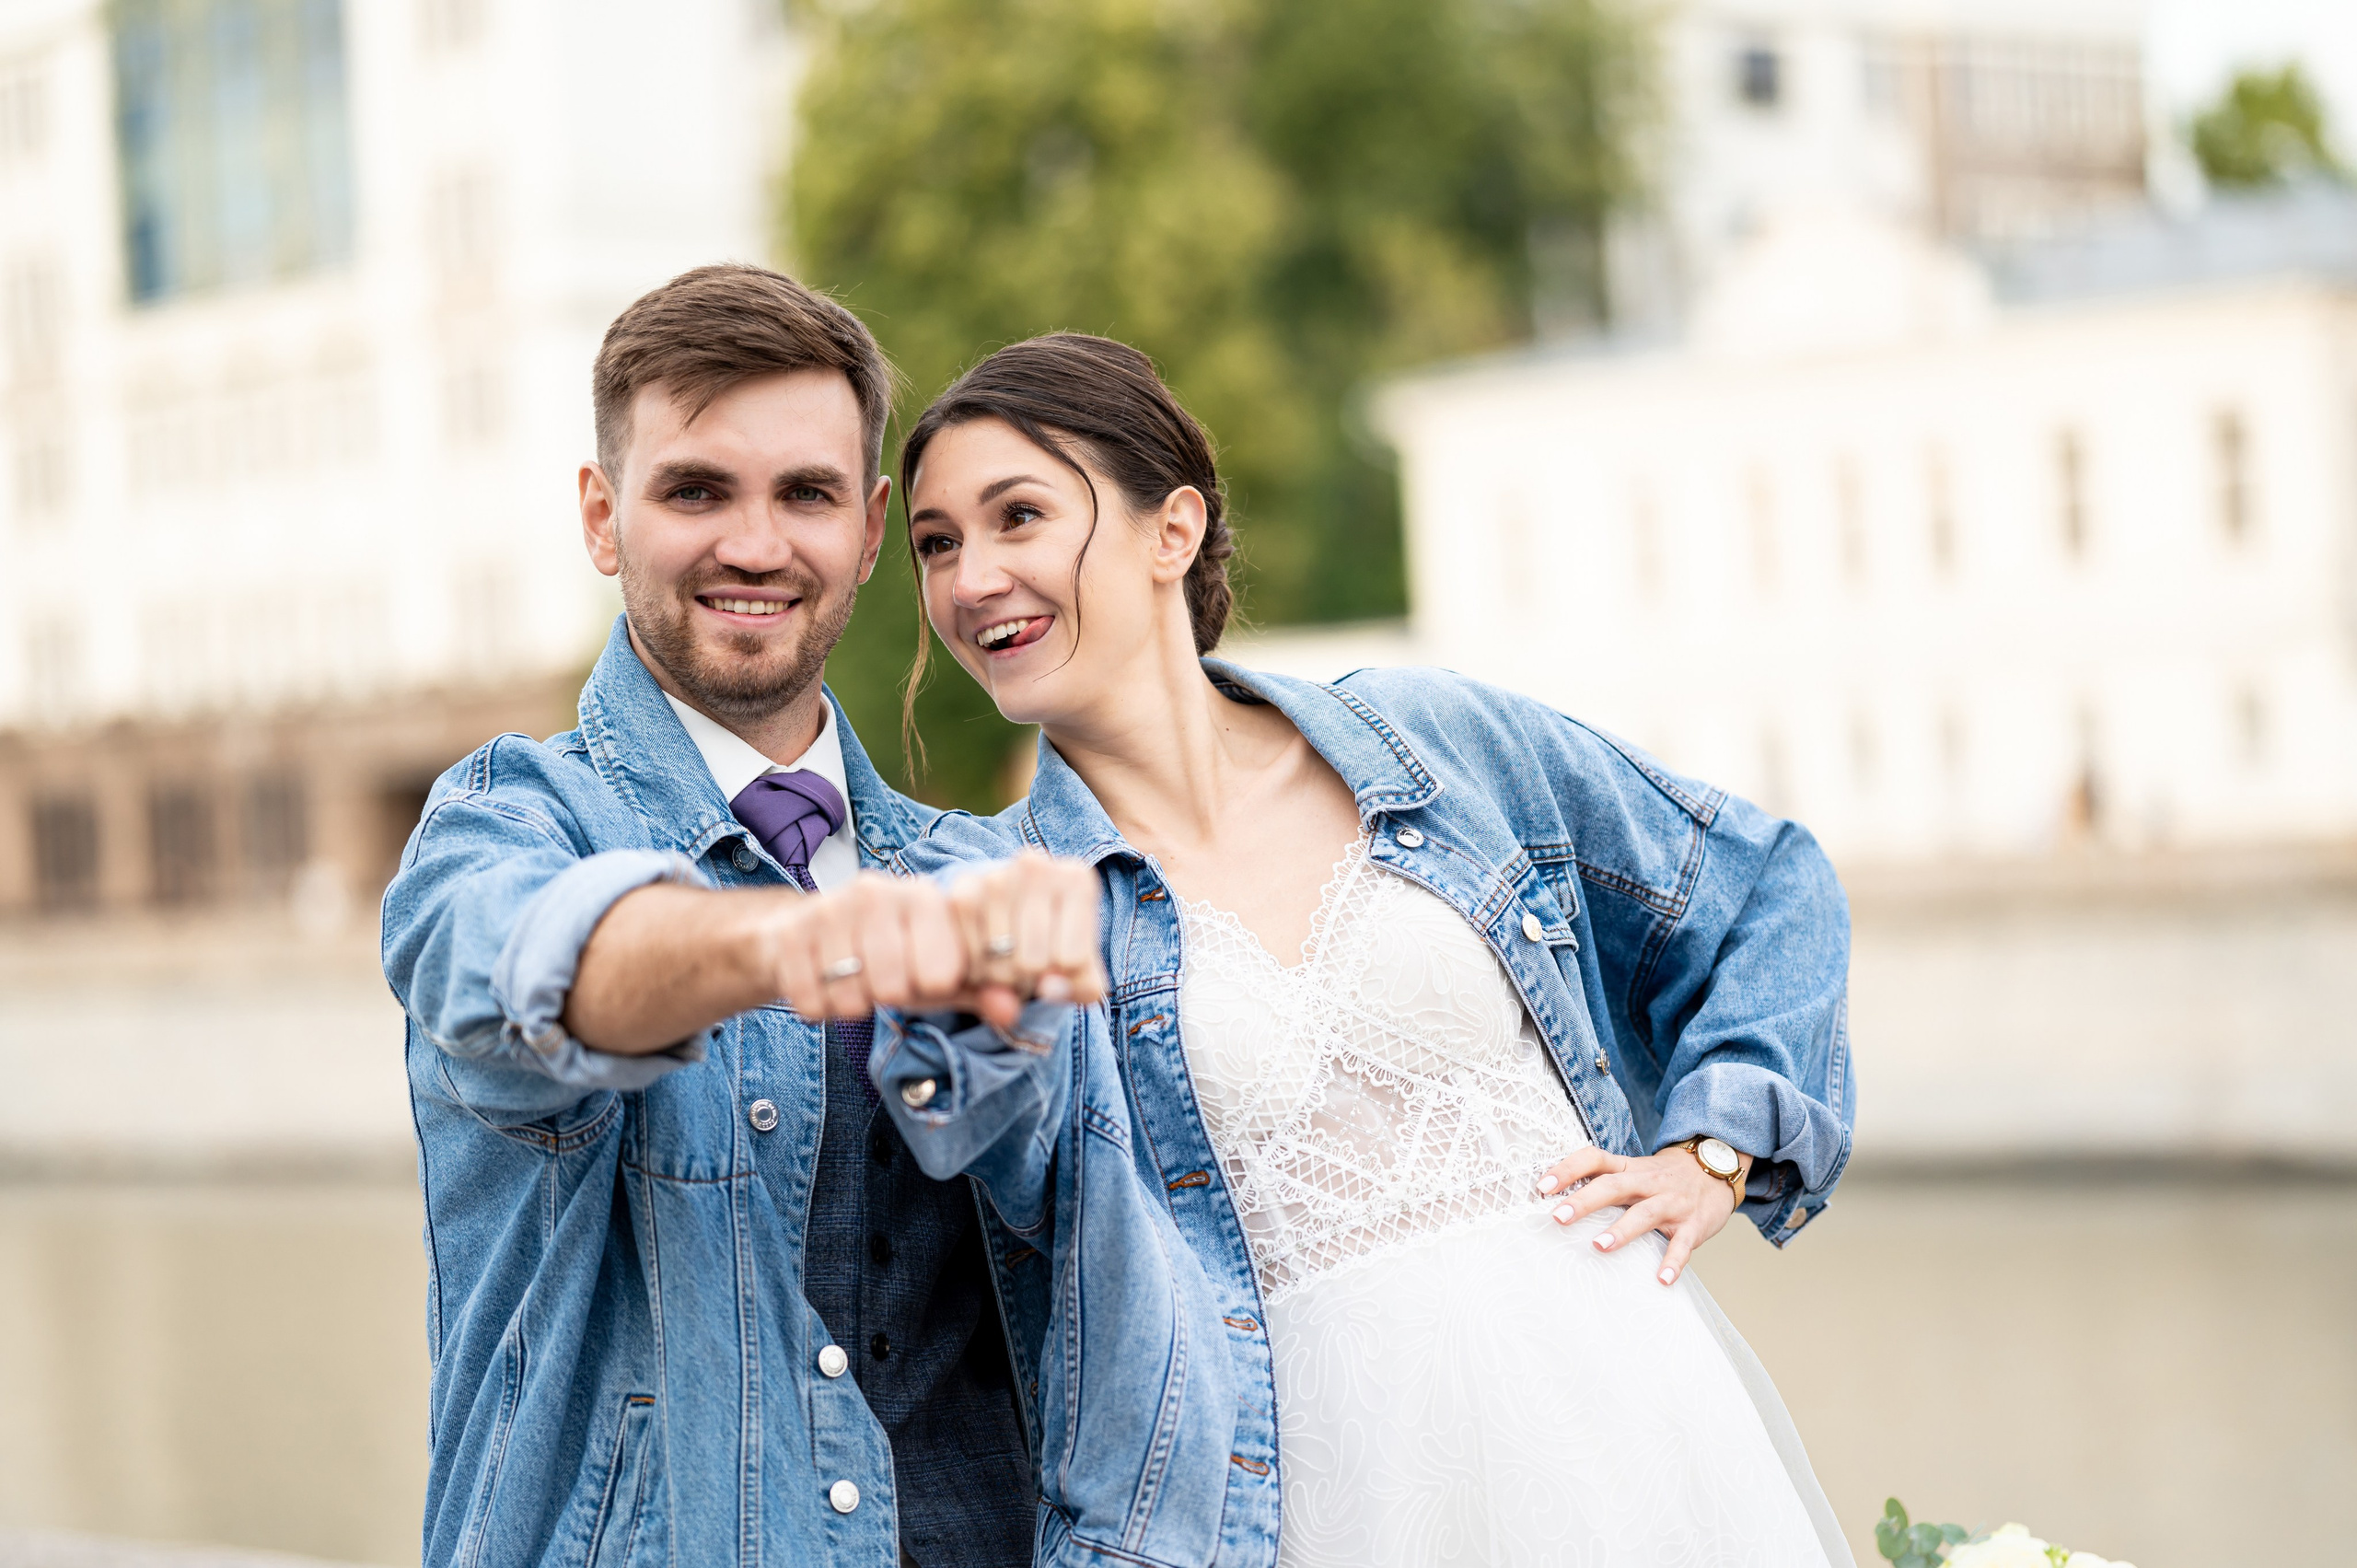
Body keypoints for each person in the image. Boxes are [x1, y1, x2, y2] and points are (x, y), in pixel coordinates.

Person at [875, 332, 1859, 1567]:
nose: (973, 578)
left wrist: (1716, 1150)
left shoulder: (1437, 745)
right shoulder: (992, 901)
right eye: (936, 545)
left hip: (1632, 1429)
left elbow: (1767, 886)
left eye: (1019, 516)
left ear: (1170, 531)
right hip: (1310, 1505)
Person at [378, 265, 1110, 1568]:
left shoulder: (976, 875)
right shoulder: (504, 820)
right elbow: (538, 962)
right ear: (603, 517)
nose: (757, 544)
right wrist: (788, 941)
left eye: (807, 495)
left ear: (872, 530)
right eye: (697, 490)